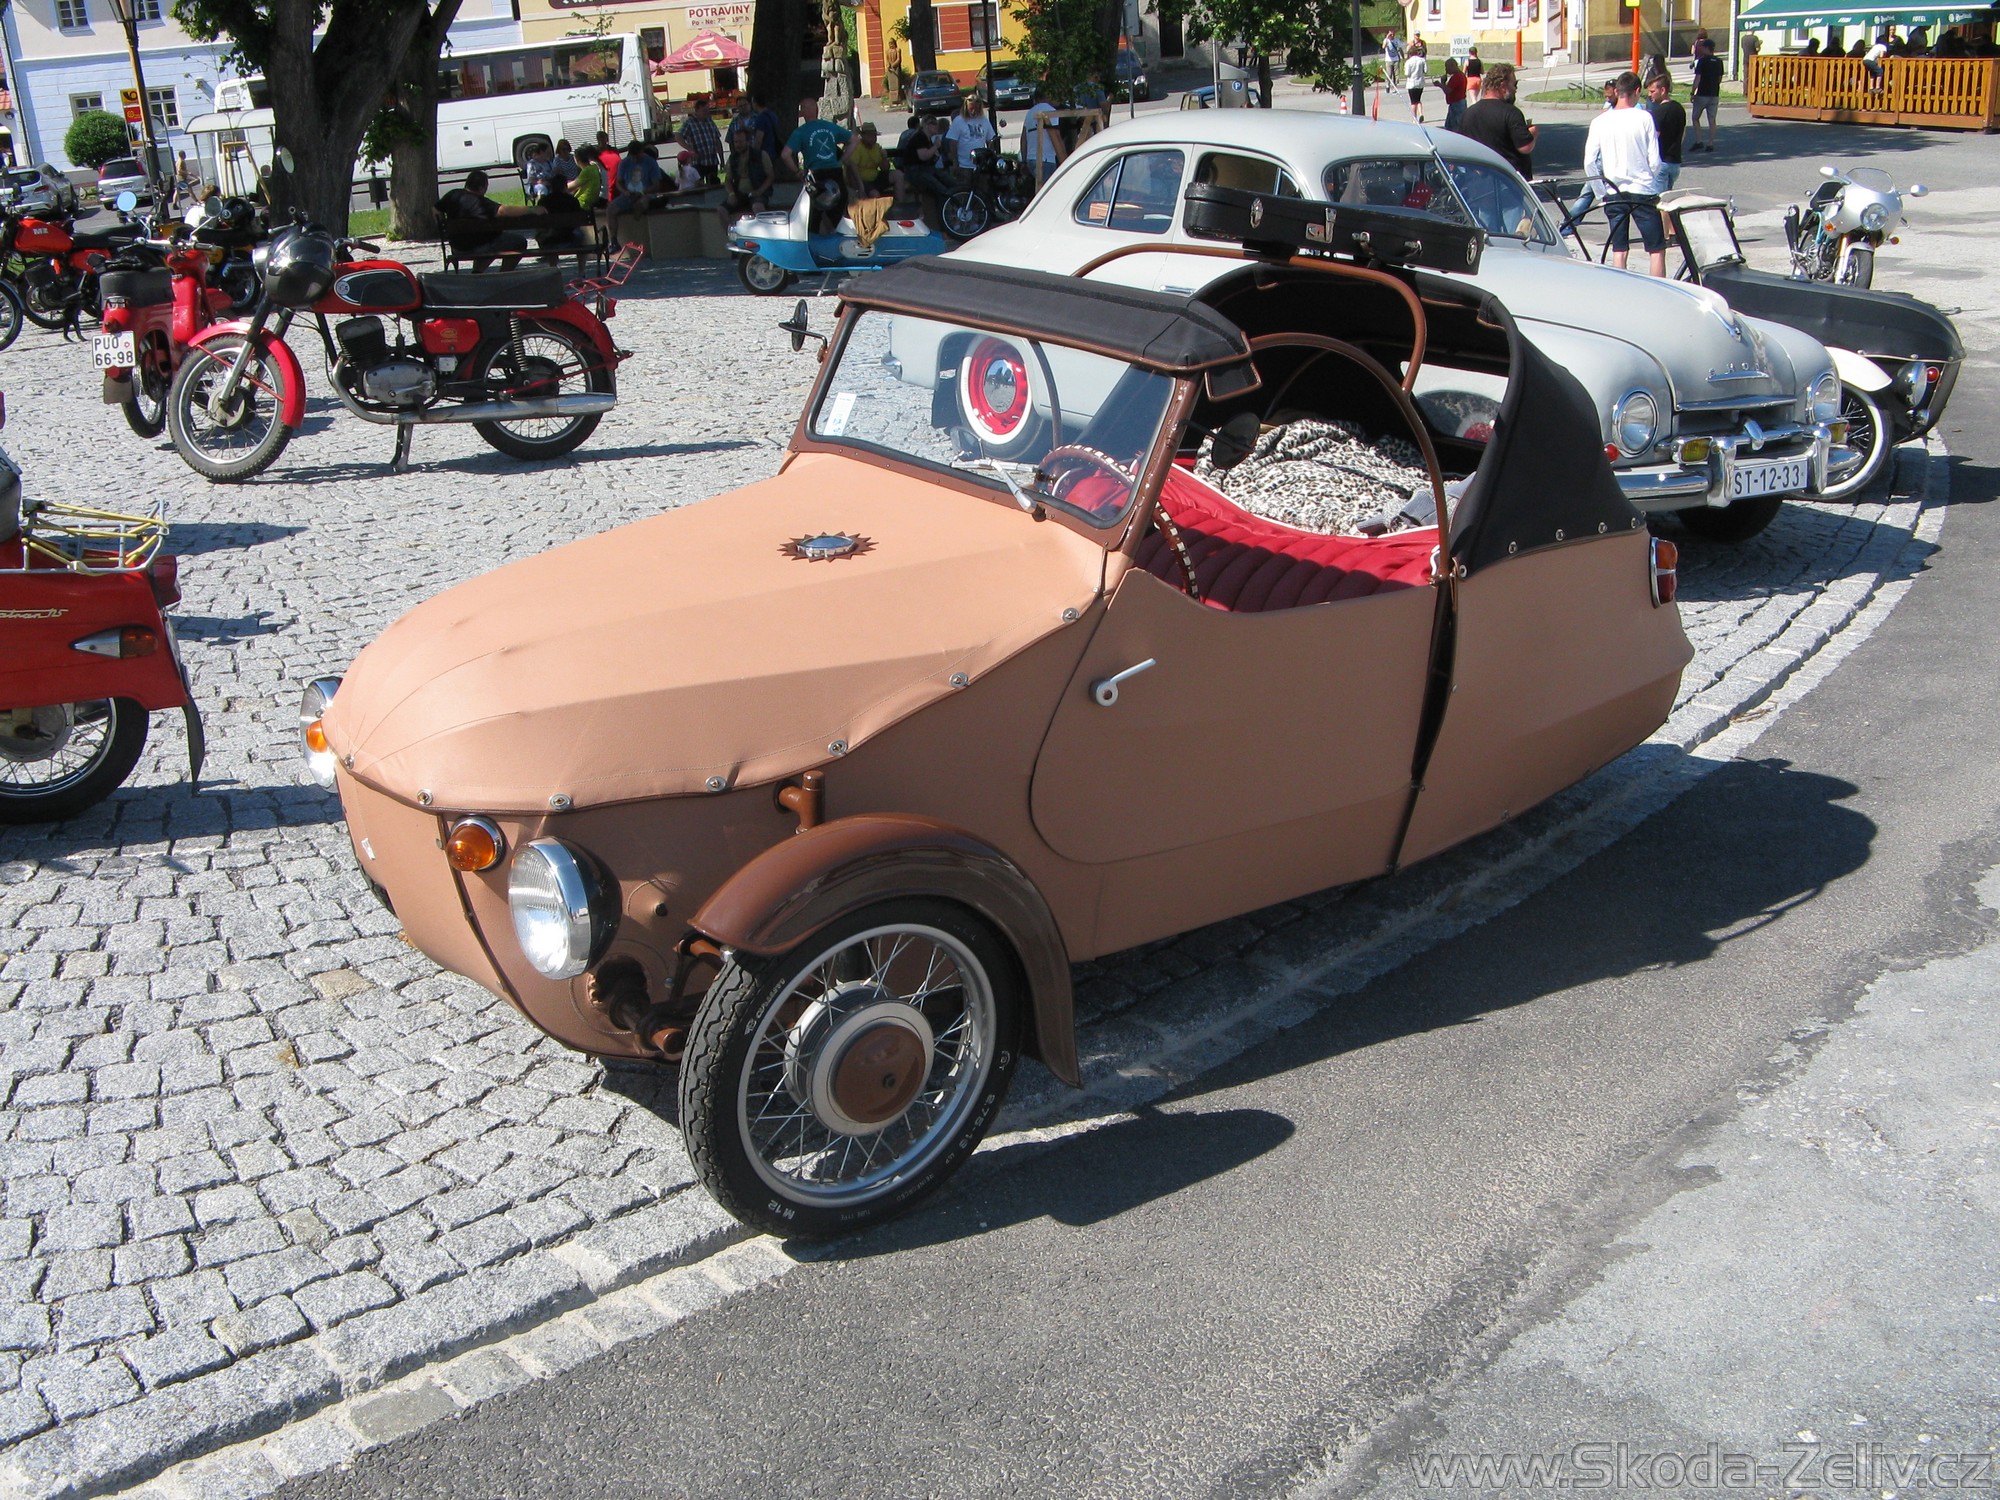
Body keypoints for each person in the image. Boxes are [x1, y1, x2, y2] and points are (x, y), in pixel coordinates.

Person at [1584, 70, 1665, 276]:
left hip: (1613, 190)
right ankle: (1658, 288)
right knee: (1656, 249)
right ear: (1636, 91)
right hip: (1642, 189)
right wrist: (1650, 177)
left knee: (1619, 248)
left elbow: (1589, 162)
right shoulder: (1644, 117)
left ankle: (1620, 287)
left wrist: (1601, 192)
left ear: (1617, 92)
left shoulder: (1600, 121)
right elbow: (1655, 160)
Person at [437, 169, 532, 272]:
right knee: (517, 242)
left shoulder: (452, 195)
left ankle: (477, 273)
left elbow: (435, 209)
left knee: (489, 240)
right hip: (478, 247)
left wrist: (442, 224)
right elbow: (502, 211)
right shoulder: (481, 203)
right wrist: (531, 209)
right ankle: (503, 273)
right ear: (482, 187)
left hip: (457, 247)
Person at [1455, 61, 1534, 179]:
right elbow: (1525, 147)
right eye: (1514, 84)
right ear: (1503, 86)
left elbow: (1461, 149)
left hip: (1477, 181)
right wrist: (1533, 133)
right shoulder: (1511, 112)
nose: (1515, 89)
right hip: (1509, 181)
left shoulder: (1468, 114)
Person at [784, 96, 852, 233]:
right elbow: (855, 140)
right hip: (835, 172)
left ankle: (815, 239)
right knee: (838, 212)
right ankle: (836, 237)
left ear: (804, 112)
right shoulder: (830, 127)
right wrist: (842, 160)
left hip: (816, 174)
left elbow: (785, 155)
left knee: (814, 215)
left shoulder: (800, 132)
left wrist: (797, 172)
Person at [717, 121, 774, 232]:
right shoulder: (733, 158)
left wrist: (760, 191)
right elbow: (727, 180)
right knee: (721, 210)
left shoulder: (761, 155)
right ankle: (732, 235)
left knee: (758, 208)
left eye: (740, 142)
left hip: (757, 192)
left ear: (748, 142)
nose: (738, 145)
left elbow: (771, 176)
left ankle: (766, 234)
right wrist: (731, 194)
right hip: (739, 194)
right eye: (736, 142)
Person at [606, 139, 667, 243]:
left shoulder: (650, 162)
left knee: (641, 204)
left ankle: (638, 235)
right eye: (632, 156)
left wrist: (642, 193)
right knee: (610, 209)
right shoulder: (625, 162)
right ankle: (613, 240)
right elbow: (619, 183)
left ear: (641, 152)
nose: (634, 159)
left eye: (637, 156)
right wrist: (625, 191)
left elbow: (656, 185)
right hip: (628, 195)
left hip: (646, 194)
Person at [895, 112, 952, 209]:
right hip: (915, 171)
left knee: (947, 179)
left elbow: (931, 158)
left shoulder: (927, 138)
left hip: (925, 169)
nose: (937, 126)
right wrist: (935, 146)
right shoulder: (919, 137)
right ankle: (945, 208)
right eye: (934, 124)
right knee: (939, 188)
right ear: (927, 126)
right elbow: (923, 156)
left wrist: (936, 153)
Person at [1645, 72, 1686, 194]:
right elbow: (1683, 133)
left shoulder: (1659, 112)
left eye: (1652, 91)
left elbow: (1654, 137)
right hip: (1675, 162)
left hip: (1661, 161)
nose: (1649, 95)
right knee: (1668, 198)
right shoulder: (1679, 108)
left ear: (1662, 90)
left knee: (1659, 200)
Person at [1020, 84, 1066, 189]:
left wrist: (1024, 161)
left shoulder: (1029, 113)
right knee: (1049, 191)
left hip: (1031, 159)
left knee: (1039, 189)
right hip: (1046, 159)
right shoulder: (1051, 111)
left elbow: (1023, 139)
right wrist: (1064, 163)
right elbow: (1056, 138)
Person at [1689, 34, 1725, 147]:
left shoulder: (1702, 61)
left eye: (1703, 47)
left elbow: (1698, 78)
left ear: (1706, 48)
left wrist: (1693, 92)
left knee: (1695, 118)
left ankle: (1699, 140)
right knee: (1712, 120)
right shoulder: (1719, 61)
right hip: (1714, 94)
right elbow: (1719, 78)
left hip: (1702, 94)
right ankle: (1710, 143)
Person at [678, 98, 723, 184]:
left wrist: (722, 159)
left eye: (707, 110)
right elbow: (678, 136)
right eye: (704, 111)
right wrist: (690, 149)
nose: (706, 113)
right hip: (698, 162)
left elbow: (717, 140)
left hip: (712, 161)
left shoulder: (710, 121)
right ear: (696, 110)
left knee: (714, 184)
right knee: (699, 185)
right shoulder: (690, 122)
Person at [945, 94, 996, 170]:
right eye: (971, 108)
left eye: (976, 108)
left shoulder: (984, 121)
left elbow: (990, 141)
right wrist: (955, 161)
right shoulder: (958, 121)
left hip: (981, 165)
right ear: (966, 107)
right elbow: (952, 143)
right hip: (963, 165)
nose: (973, 111)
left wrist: (990, 158)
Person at [845, 120, 892, 197]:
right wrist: (860, 186)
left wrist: (884, 158)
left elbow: (885, 169)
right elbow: (851, 169)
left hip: (875, 178)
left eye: (874, 136)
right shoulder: (857, 147)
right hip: (860, 180)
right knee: (875, 194)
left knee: (898, 175)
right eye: (869, 136)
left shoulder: (877, 147)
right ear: (863, 136)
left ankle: (900, 203)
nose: (873, 138)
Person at [571, 146, 605, 213]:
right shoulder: (594, 167)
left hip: (582, 204)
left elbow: (571, 186)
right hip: (591, 201)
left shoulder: (586, 171)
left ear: (577, 159)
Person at [1404, 39, 1429, 122]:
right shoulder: (1422, 60)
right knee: (1418, 99)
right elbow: (1426, 71)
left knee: (1413, 101)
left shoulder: (1408, 62)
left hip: (1411, 83)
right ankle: (1421, 113)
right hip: (1420, 82)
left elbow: (1407, 73)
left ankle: (1414, 118)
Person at [1442, 57, 1468, 130]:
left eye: (1447, 67)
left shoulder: (1457, 76)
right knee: (1449, 126)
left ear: (1453, 66)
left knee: (1456, 126)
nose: (1446, 69)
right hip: (1454, 104)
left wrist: (1441, 84)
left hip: (1457, 104)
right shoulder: (1458, 75)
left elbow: (1448, 90)